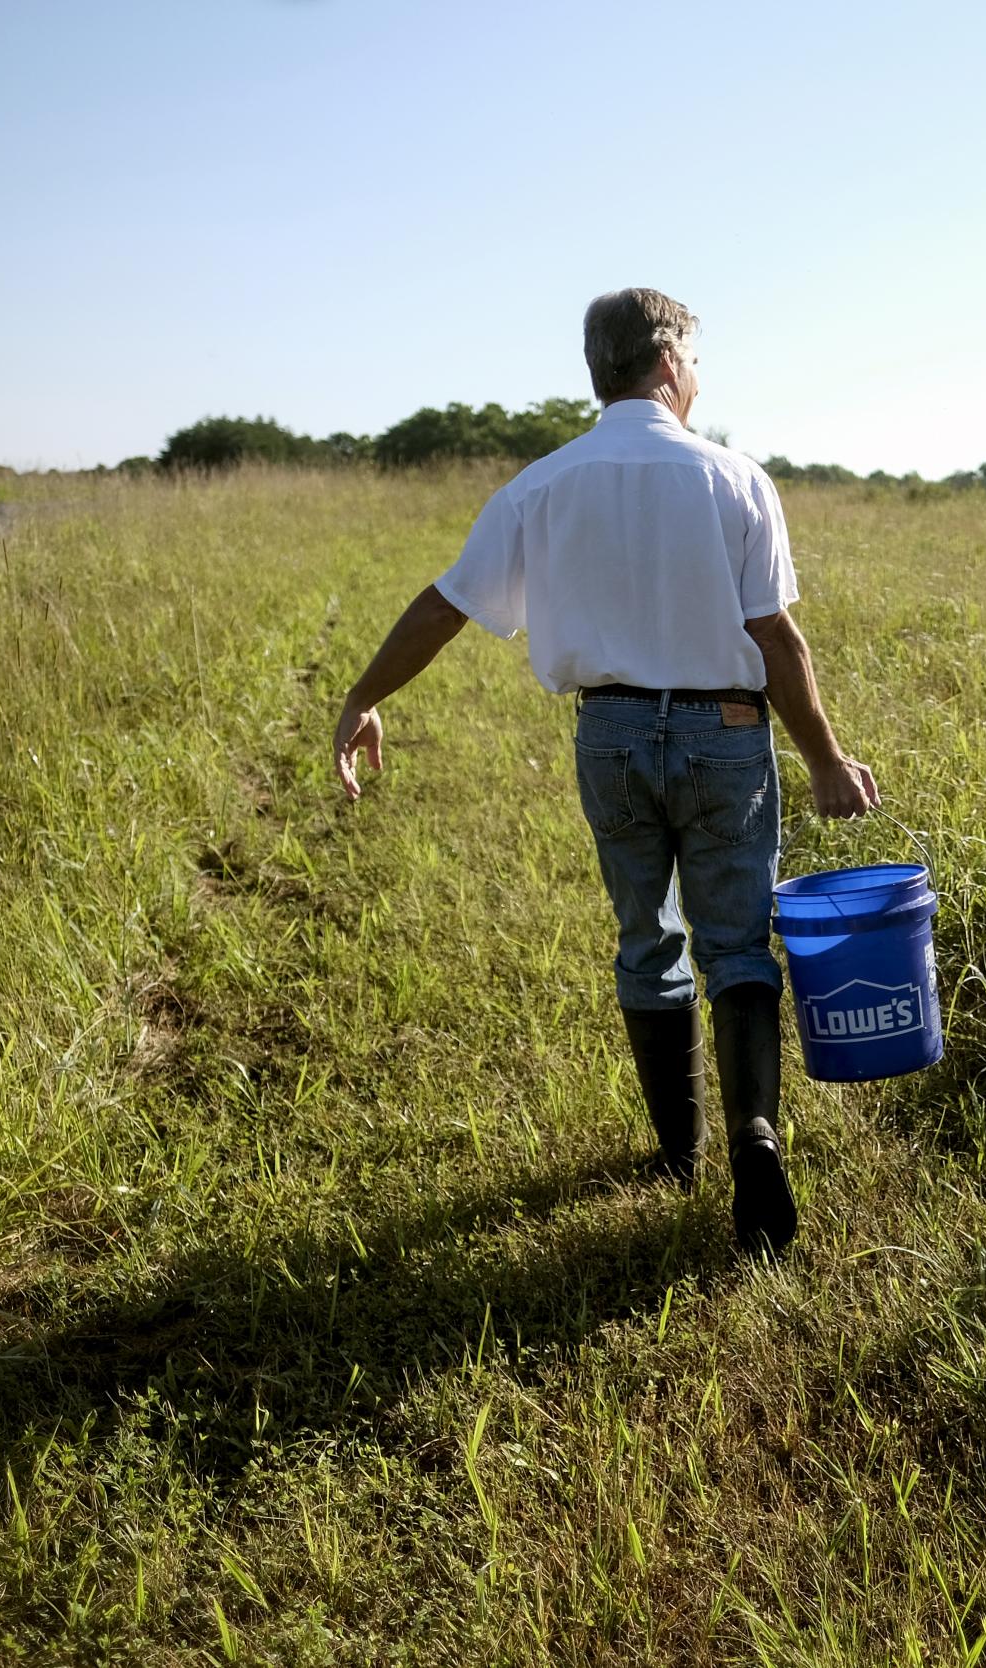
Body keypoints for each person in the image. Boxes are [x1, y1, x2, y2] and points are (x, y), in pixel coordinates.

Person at [330, 287, 878, 1256]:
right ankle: (754, 1134)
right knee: (738, 946)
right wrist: (826, 759)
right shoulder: (735, 480)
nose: (700, 379)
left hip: (611, 736)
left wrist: (363, 697)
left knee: (645, 939)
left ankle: (678, 1155)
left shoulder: (541, 484)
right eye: (697, 361)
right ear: (668, 362)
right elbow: (775, 637)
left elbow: (444, 605)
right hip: (725, 730)